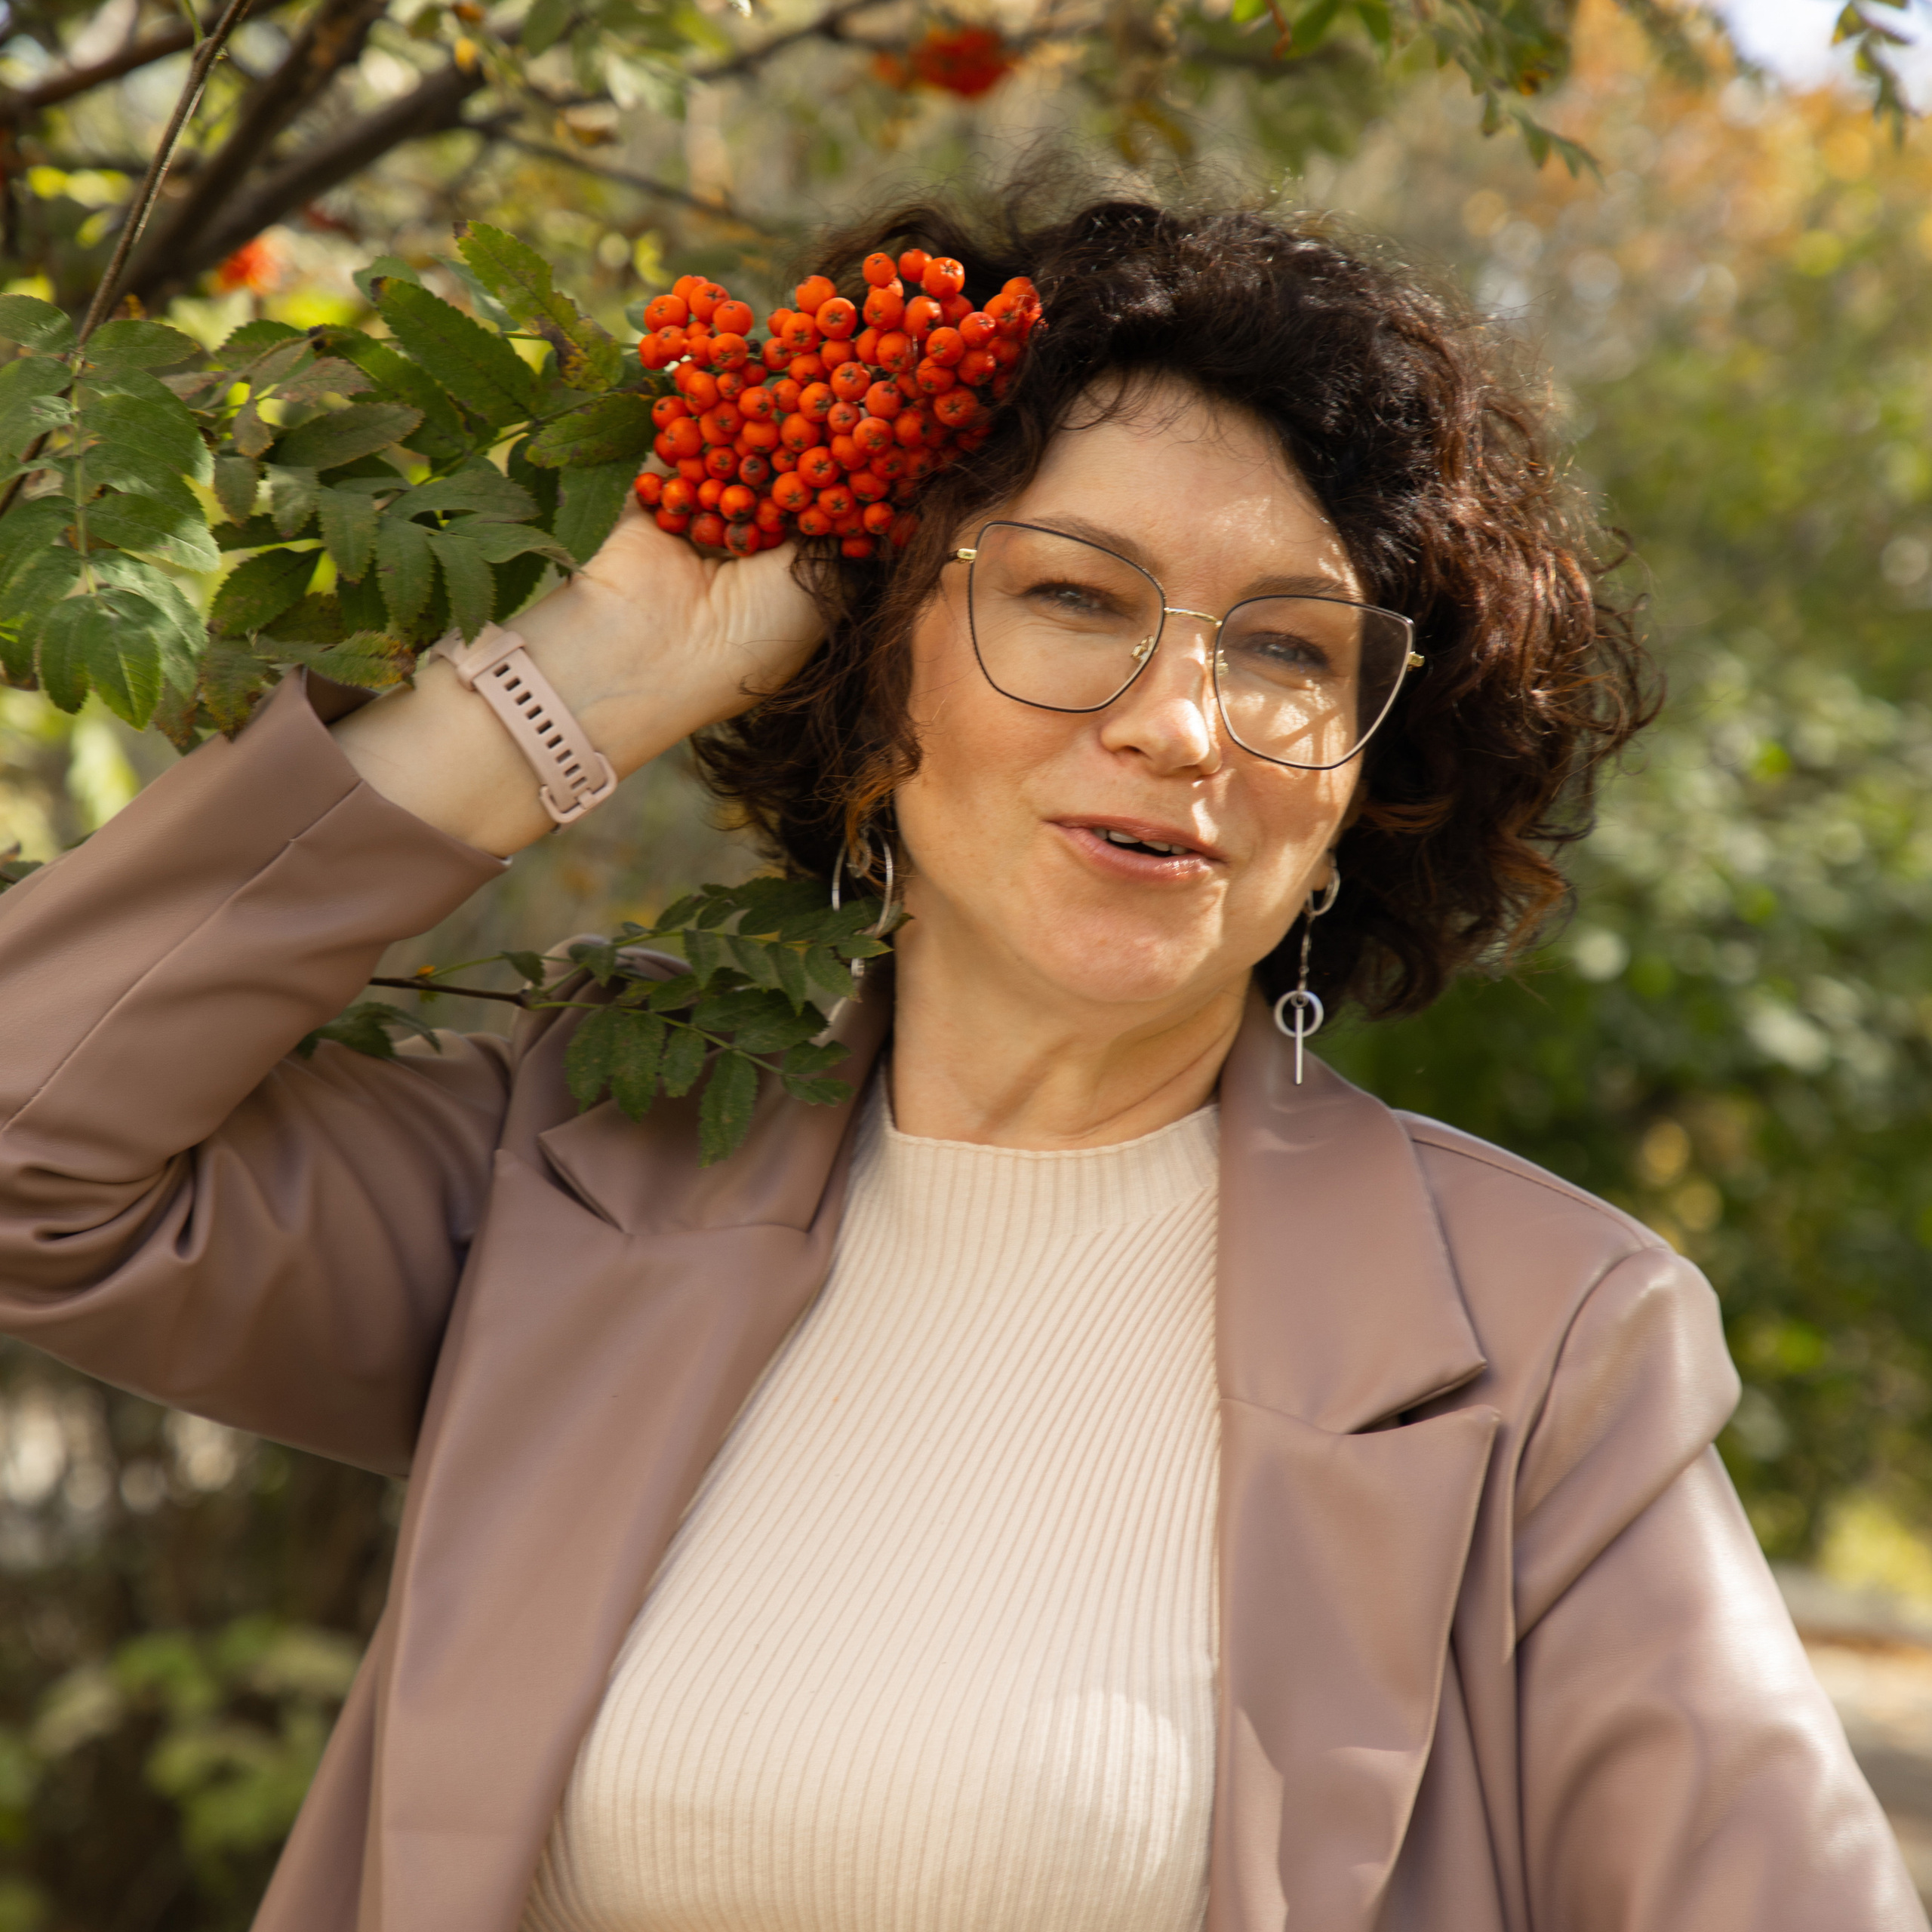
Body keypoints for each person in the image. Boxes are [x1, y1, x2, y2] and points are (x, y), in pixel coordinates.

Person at [0, 191, 1918, 1932]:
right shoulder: (575, 1163)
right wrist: (581, 689)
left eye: (1286, 649)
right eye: (1074, 595)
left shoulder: (1543, 1343)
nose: (1184, 723)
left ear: (1363, 775)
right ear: (868, 663)